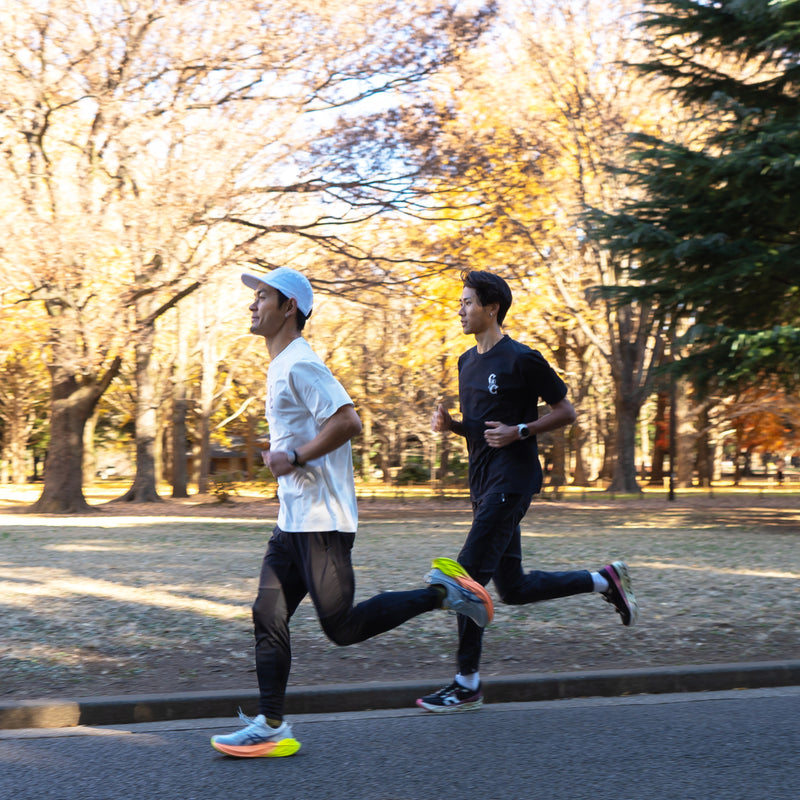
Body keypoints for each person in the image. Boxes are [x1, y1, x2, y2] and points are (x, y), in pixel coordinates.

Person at [211, 267, 492, 757]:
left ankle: (442, 592)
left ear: (289, 307)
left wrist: (295, 457)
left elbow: (348, 421)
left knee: (342, 628)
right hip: (293, 521)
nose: (252, 305)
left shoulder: (300, 363)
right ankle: (271, 724)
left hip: (323, 522)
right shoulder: (280, 364)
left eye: (262, 297)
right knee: (266, 614)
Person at [416, 270, 638, 713]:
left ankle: (467, 682)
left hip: (513, 481)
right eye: (460, 303)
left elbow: (566, 411)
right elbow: (483, 430)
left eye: (466, 302)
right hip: (483, 484)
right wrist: (453, 426)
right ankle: (604, 580)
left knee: (465, 579)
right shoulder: (466, 362)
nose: (459, 310)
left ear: (491, 307)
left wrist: (522, 429)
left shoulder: (522, 358)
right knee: (512, 588)